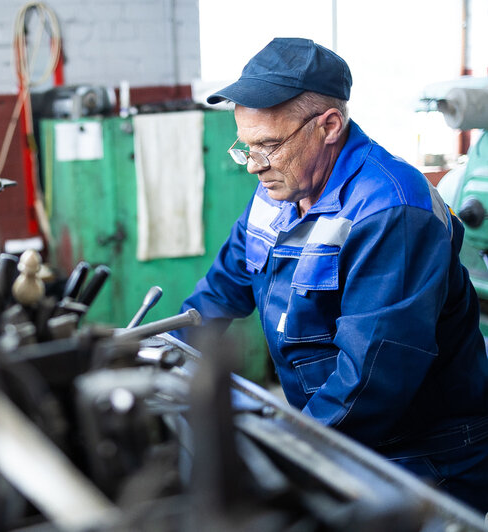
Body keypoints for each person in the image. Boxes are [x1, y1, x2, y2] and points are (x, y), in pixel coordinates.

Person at [173, 37, 488, 512]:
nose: (254, 167)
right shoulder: (280, 189)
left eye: (269, 146)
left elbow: (371, 380)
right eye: (247, 148)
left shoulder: (391, 210)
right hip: (337, 427)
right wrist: (175, 357)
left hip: (422, 454)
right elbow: (219, 291)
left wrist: (284, 450)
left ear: (330, 126)